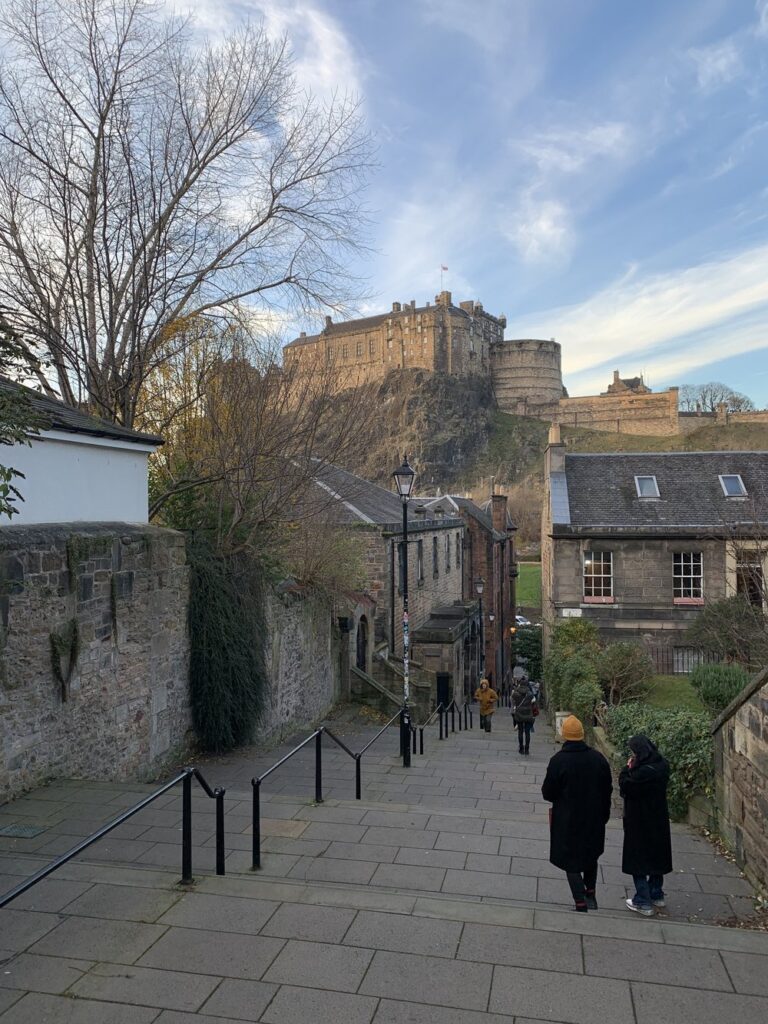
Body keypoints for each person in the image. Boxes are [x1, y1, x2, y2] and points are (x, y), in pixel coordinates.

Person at [541, 715, 613, 912]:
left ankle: (580, 901)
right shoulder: (598, 759)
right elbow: (608, 789)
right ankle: (590, 893)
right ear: (582, 735)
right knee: (591, 854)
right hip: (594, 816)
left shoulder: (558, 761)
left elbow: (548, 793)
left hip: (567, 818)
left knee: (570, 859)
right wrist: (604, 813)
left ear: (565, 736)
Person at [619, 734, 673, 917]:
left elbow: (625, 786)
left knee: (638, 860)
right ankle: (656, 893)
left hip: (639, 820)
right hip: (658, 818)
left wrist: (627, 769)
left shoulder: (641, 773)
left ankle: (642, 900)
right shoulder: (662, 765)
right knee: (657, 856)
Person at [511, 676, 536, 755]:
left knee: (520, 732)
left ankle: (521, 748)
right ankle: (527, 749)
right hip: (528, 714)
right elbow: (533, 700)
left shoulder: (516, 693)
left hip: (519, 714)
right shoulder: (530, 694)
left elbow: (512, 697)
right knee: (527, 733)